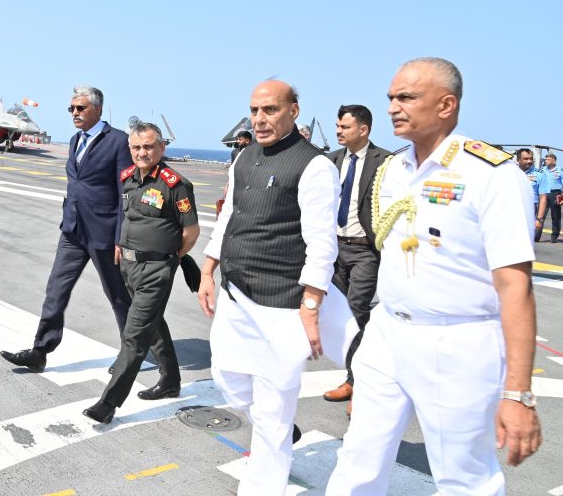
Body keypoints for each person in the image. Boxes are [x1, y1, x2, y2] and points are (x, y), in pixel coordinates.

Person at [326, 58, 541, 496]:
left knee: (464, 479)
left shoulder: (491, 175)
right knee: (357, 460)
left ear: (446, 105)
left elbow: (515, 286)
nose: (392, 108)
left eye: (406, 97)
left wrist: (518, 393)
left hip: (457, 341)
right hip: (387, 332)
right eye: (391, 98)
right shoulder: (393, 169)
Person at [199, 80, 348, 495]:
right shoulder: (244, 157)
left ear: (293, 112)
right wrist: (208, 269)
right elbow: (229, 216)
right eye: (254, 111)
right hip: (236, 292)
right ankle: (276, 430)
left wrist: (311, 303)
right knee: (227, 378)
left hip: (282, 303)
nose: (259, 119)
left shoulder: (314, 166)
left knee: (273, 407)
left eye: (270, 110)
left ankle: (264, 481)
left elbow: (322, 243)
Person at [1, 86, 132, 373]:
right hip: (73, 229)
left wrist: (121, 237)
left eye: (80, 108)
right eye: (71, 108)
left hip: (104, 232)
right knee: (55, 290)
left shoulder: (118, 141)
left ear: (97, 109)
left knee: (118, 295)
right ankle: (40, 350)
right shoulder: (75, 141)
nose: (74, 113)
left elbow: (126, 193)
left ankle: (131, 351)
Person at [81, 122, 200, 423]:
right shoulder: (128, 179)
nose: (142, 152)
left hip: (156, 269)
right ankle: (171, 380)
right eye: (136, 147)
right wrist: (121, 245)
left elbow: (191, 232)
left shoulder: (175, 184)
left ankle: (108, 404)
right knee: (153, 323)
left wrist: (169, 257)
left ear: (161, 147)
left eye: (148, 146)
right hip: (129, 266)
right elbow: (129, 217)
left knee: (134, 336)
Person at [321, 105, 391, 414]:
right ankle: (357, 374)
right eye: (337, 126)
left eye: (345, 127)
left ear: (363, 130)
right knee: (338, 313)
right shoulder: (330, 161)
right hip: (334, 248)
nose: (338, 131)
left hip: (365, 250)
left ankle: (358, 381)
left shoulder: (385, 162)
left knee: (357, 309)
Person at [516, 148, 550, 242]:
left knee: (527, 240)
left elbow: (543, 198)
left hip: (530, 209)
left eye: (531, 158)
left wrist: (539, 219)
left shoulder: (540, 175)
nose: (529, 161)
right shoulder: (511, 173)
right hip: (512, 208)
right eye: (526, 159)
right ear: (518, 160)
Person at [541, 153, 562, 242]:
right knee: (540, 215)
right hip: (544, 194)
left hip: (555, 193)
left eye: (548, 159)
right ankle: (536, 236)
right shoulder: (542, 170)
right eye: (545, 159)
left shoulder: (560, 170)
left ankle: (554, 237)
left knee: (555, 216)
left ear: (554, 161)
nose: (546, 161)